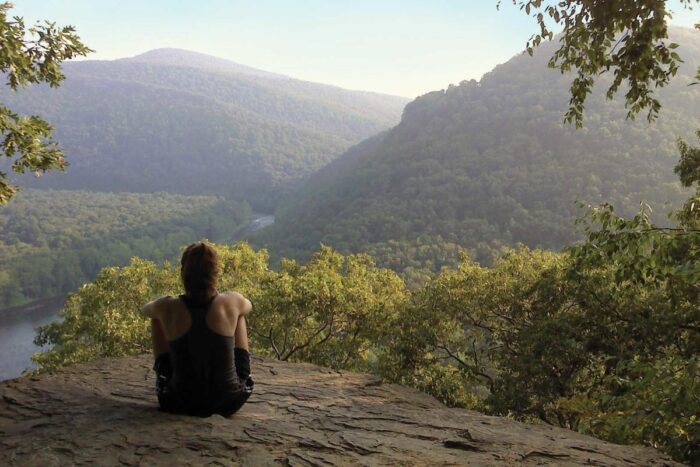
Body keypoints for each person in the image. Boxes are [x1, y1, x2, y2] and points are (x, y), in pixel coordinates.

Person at [142, 242, 253, 417]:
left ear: (183, 274)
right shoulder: (231, 301)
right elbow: (248, 307)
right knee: (239, 314)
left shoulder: (168, 306)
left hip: (178, 402)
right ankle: (244, 374)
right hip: (229, 400)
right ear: (215, 273)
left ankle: (164, 375)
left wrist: (166, 304)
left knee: (157, 317)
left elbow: (146, 309)